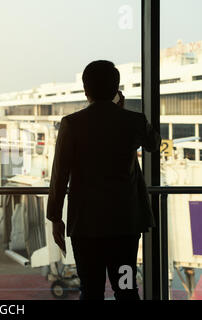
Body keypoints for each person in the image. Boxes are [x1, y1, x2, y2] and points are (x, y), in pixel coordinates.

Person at [46, 60, 161, 300]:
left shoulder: (71, 124)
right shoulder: (134, 121)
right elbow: (153, 144)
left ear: (85, 90)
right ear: (116, 89)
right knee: (127, 288)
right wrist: (121, 108)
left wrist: (55, 217)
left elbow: (59, 175)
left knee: (90, 290)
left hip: (86, 227)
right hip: (125, 227)